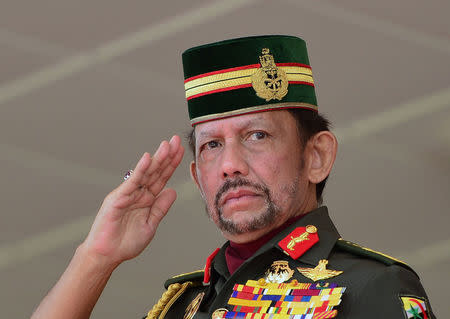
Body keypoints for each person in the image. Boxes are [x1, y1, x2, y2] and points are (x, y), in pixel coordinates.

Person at [30, 35, 435, 319]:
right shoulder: (179, 306)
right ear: (197, 178)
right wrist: (95, 259)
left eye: (256, 135)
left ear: (316, 156)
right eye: (211, 146)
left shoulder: (370, 285)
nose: (230, 165)